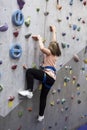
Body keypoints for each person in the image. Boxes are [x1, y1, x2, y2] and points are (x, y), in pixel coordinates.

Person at [18, 25, 61, 122]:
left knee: (30, 72)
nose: (49, 46)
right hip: (51, 79)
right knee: (43, 97)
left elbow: (42, 48)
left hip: (48, 76)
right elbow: (54, 41)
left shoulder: (49, 52)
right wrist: (54, 30)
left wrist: (39, 38)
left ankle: (29, 91)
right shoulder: (56, 54)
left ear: (51, 48)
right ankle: (41, 116)